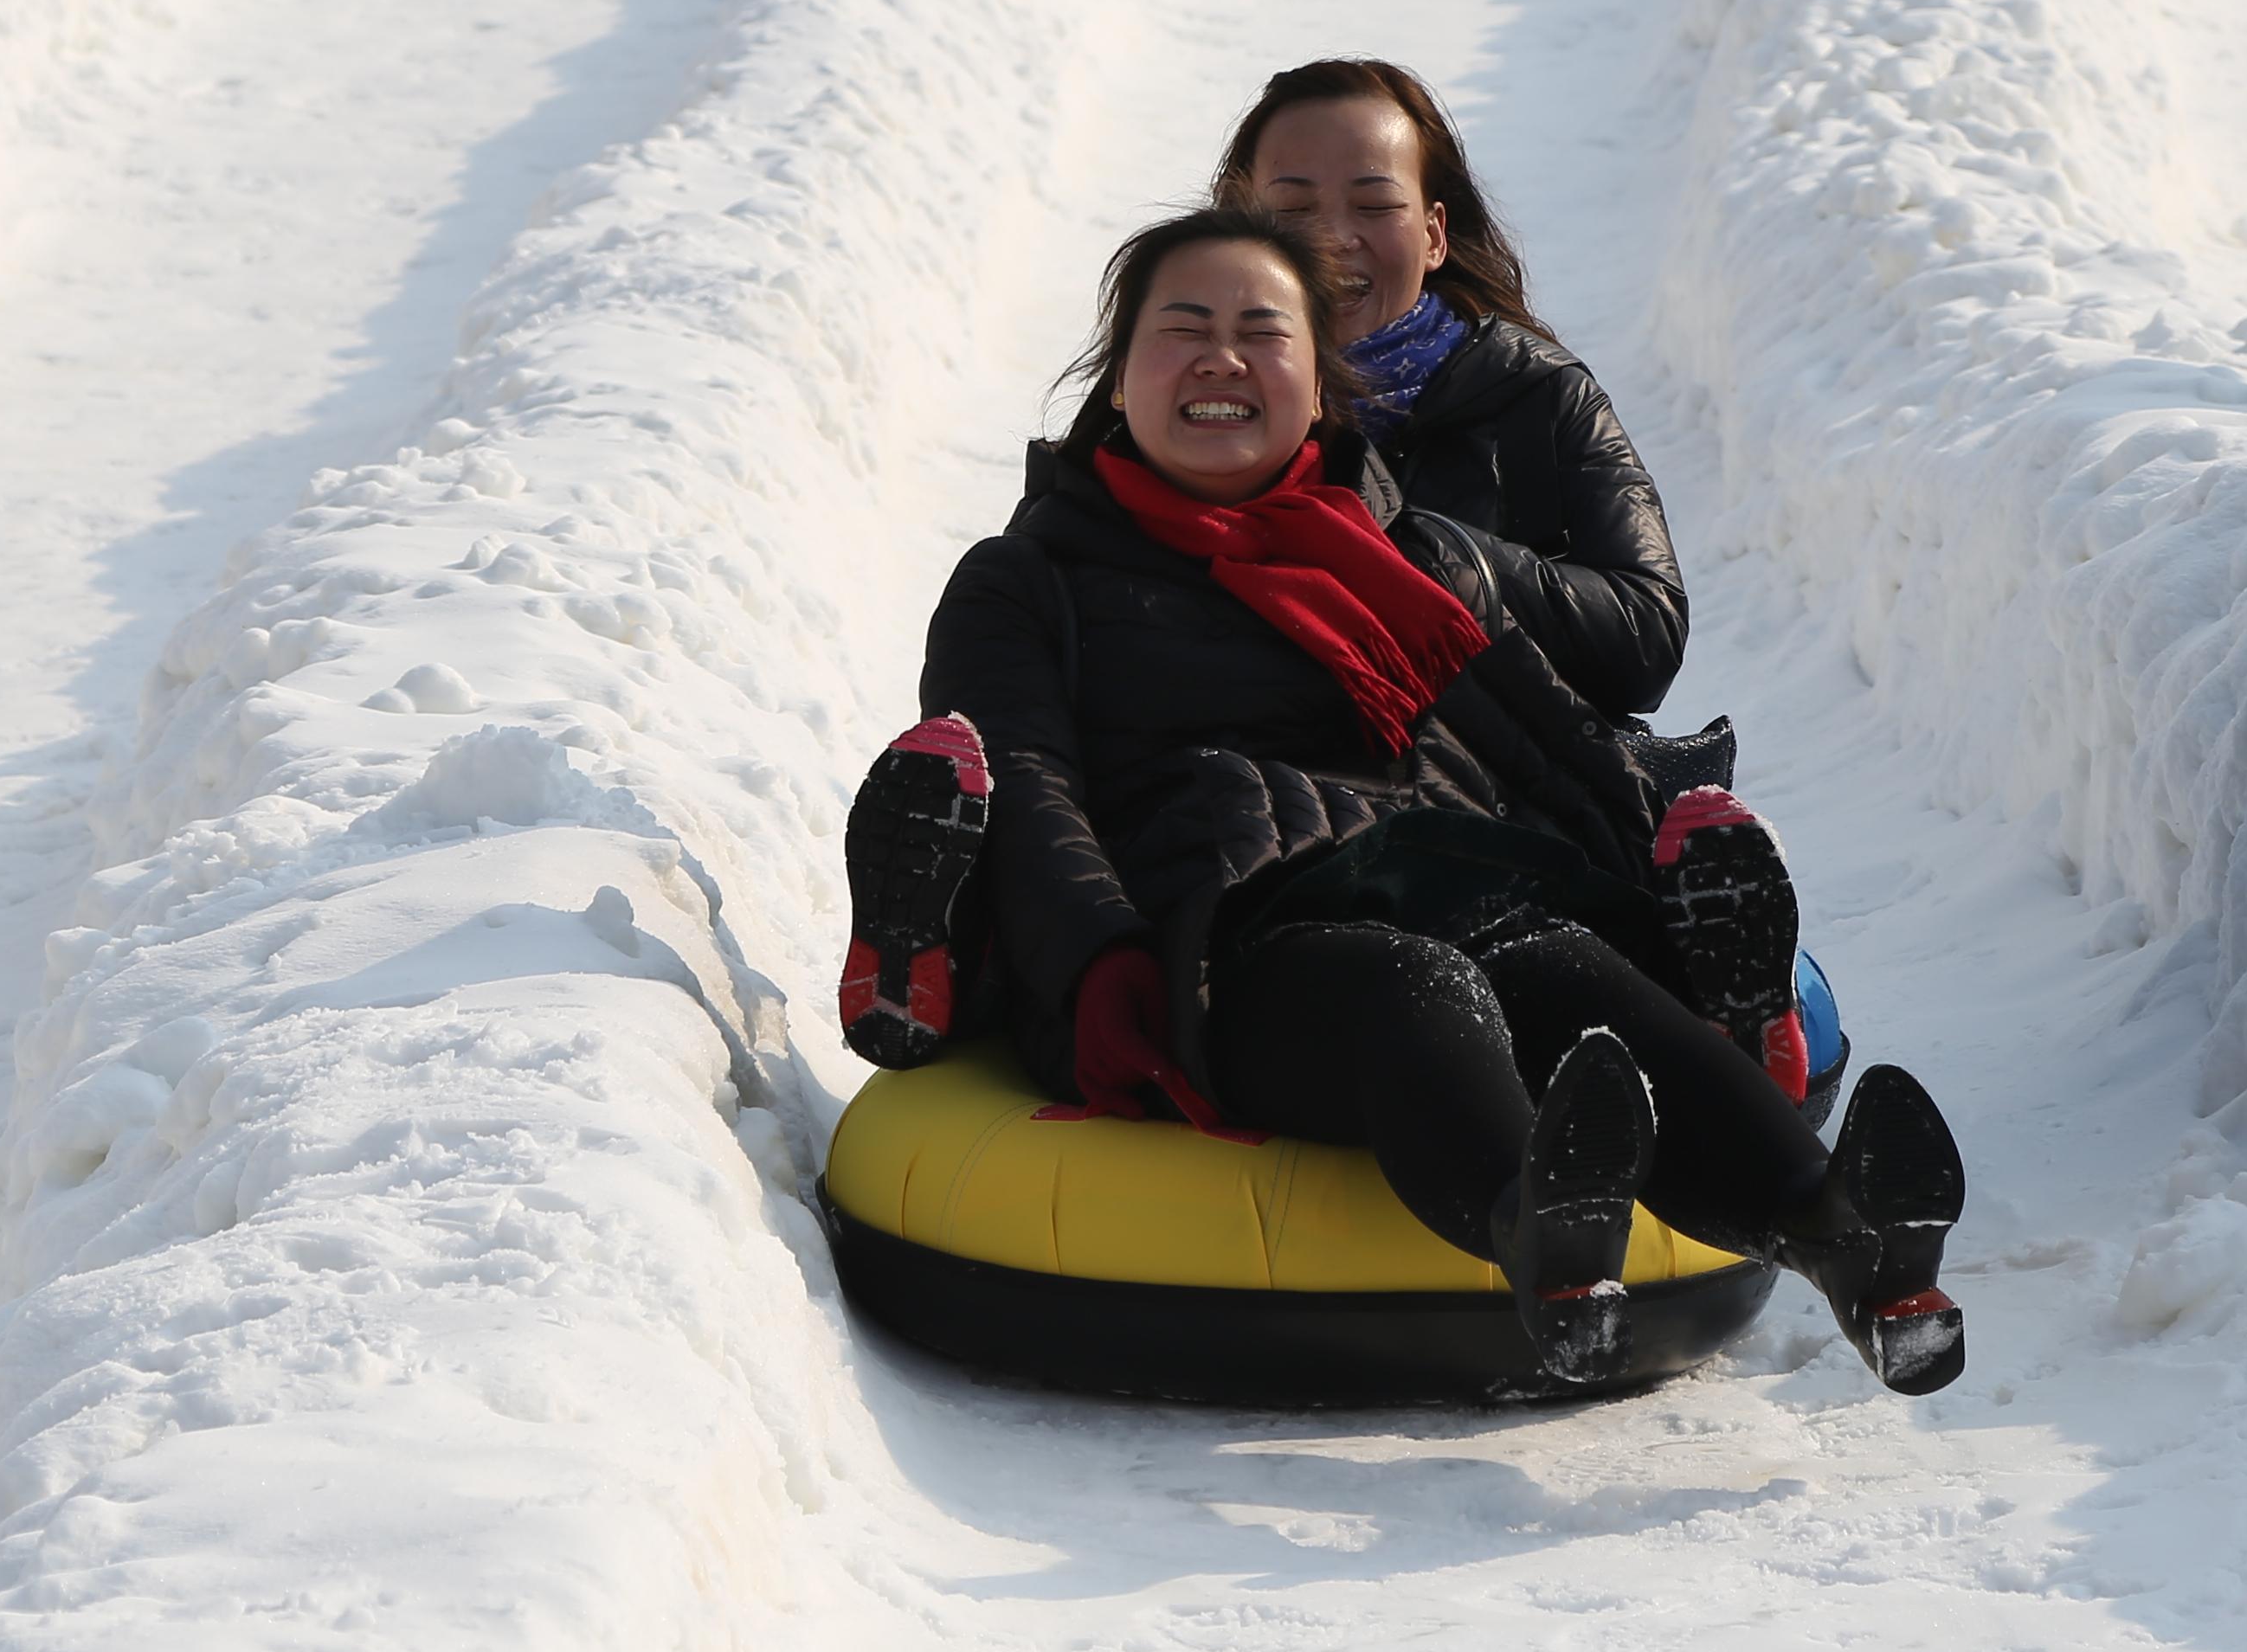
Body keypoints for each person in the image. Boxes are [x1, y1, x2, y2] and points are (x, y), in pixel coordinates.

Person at [838, 206, 1966, 1393]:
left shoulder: (1405, 561)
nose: (1222, 356)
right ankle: (1538, 1225)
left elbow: (1550, 742)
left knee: (1576, 973)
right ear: (1118, 381)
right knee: (1405, 988)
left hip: (1453, 879)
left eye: (1261, 332)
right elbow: (1030, 787)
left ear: (1319, 390)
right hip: (1223, 937)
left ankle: (1850, 1245)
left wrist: (1665, 861)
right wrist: (1104, 963)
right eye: (1184, 328)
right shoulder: (1030, 581)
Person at [1218, 59, 1689, 721]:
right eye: (1293, 208)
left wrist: (1434, 558)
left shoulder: (1537, 394)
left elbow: (1645, 639)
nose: (1332, 239)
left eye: (1375, 205)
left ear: (1435, 235)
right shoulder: (1185, 397)